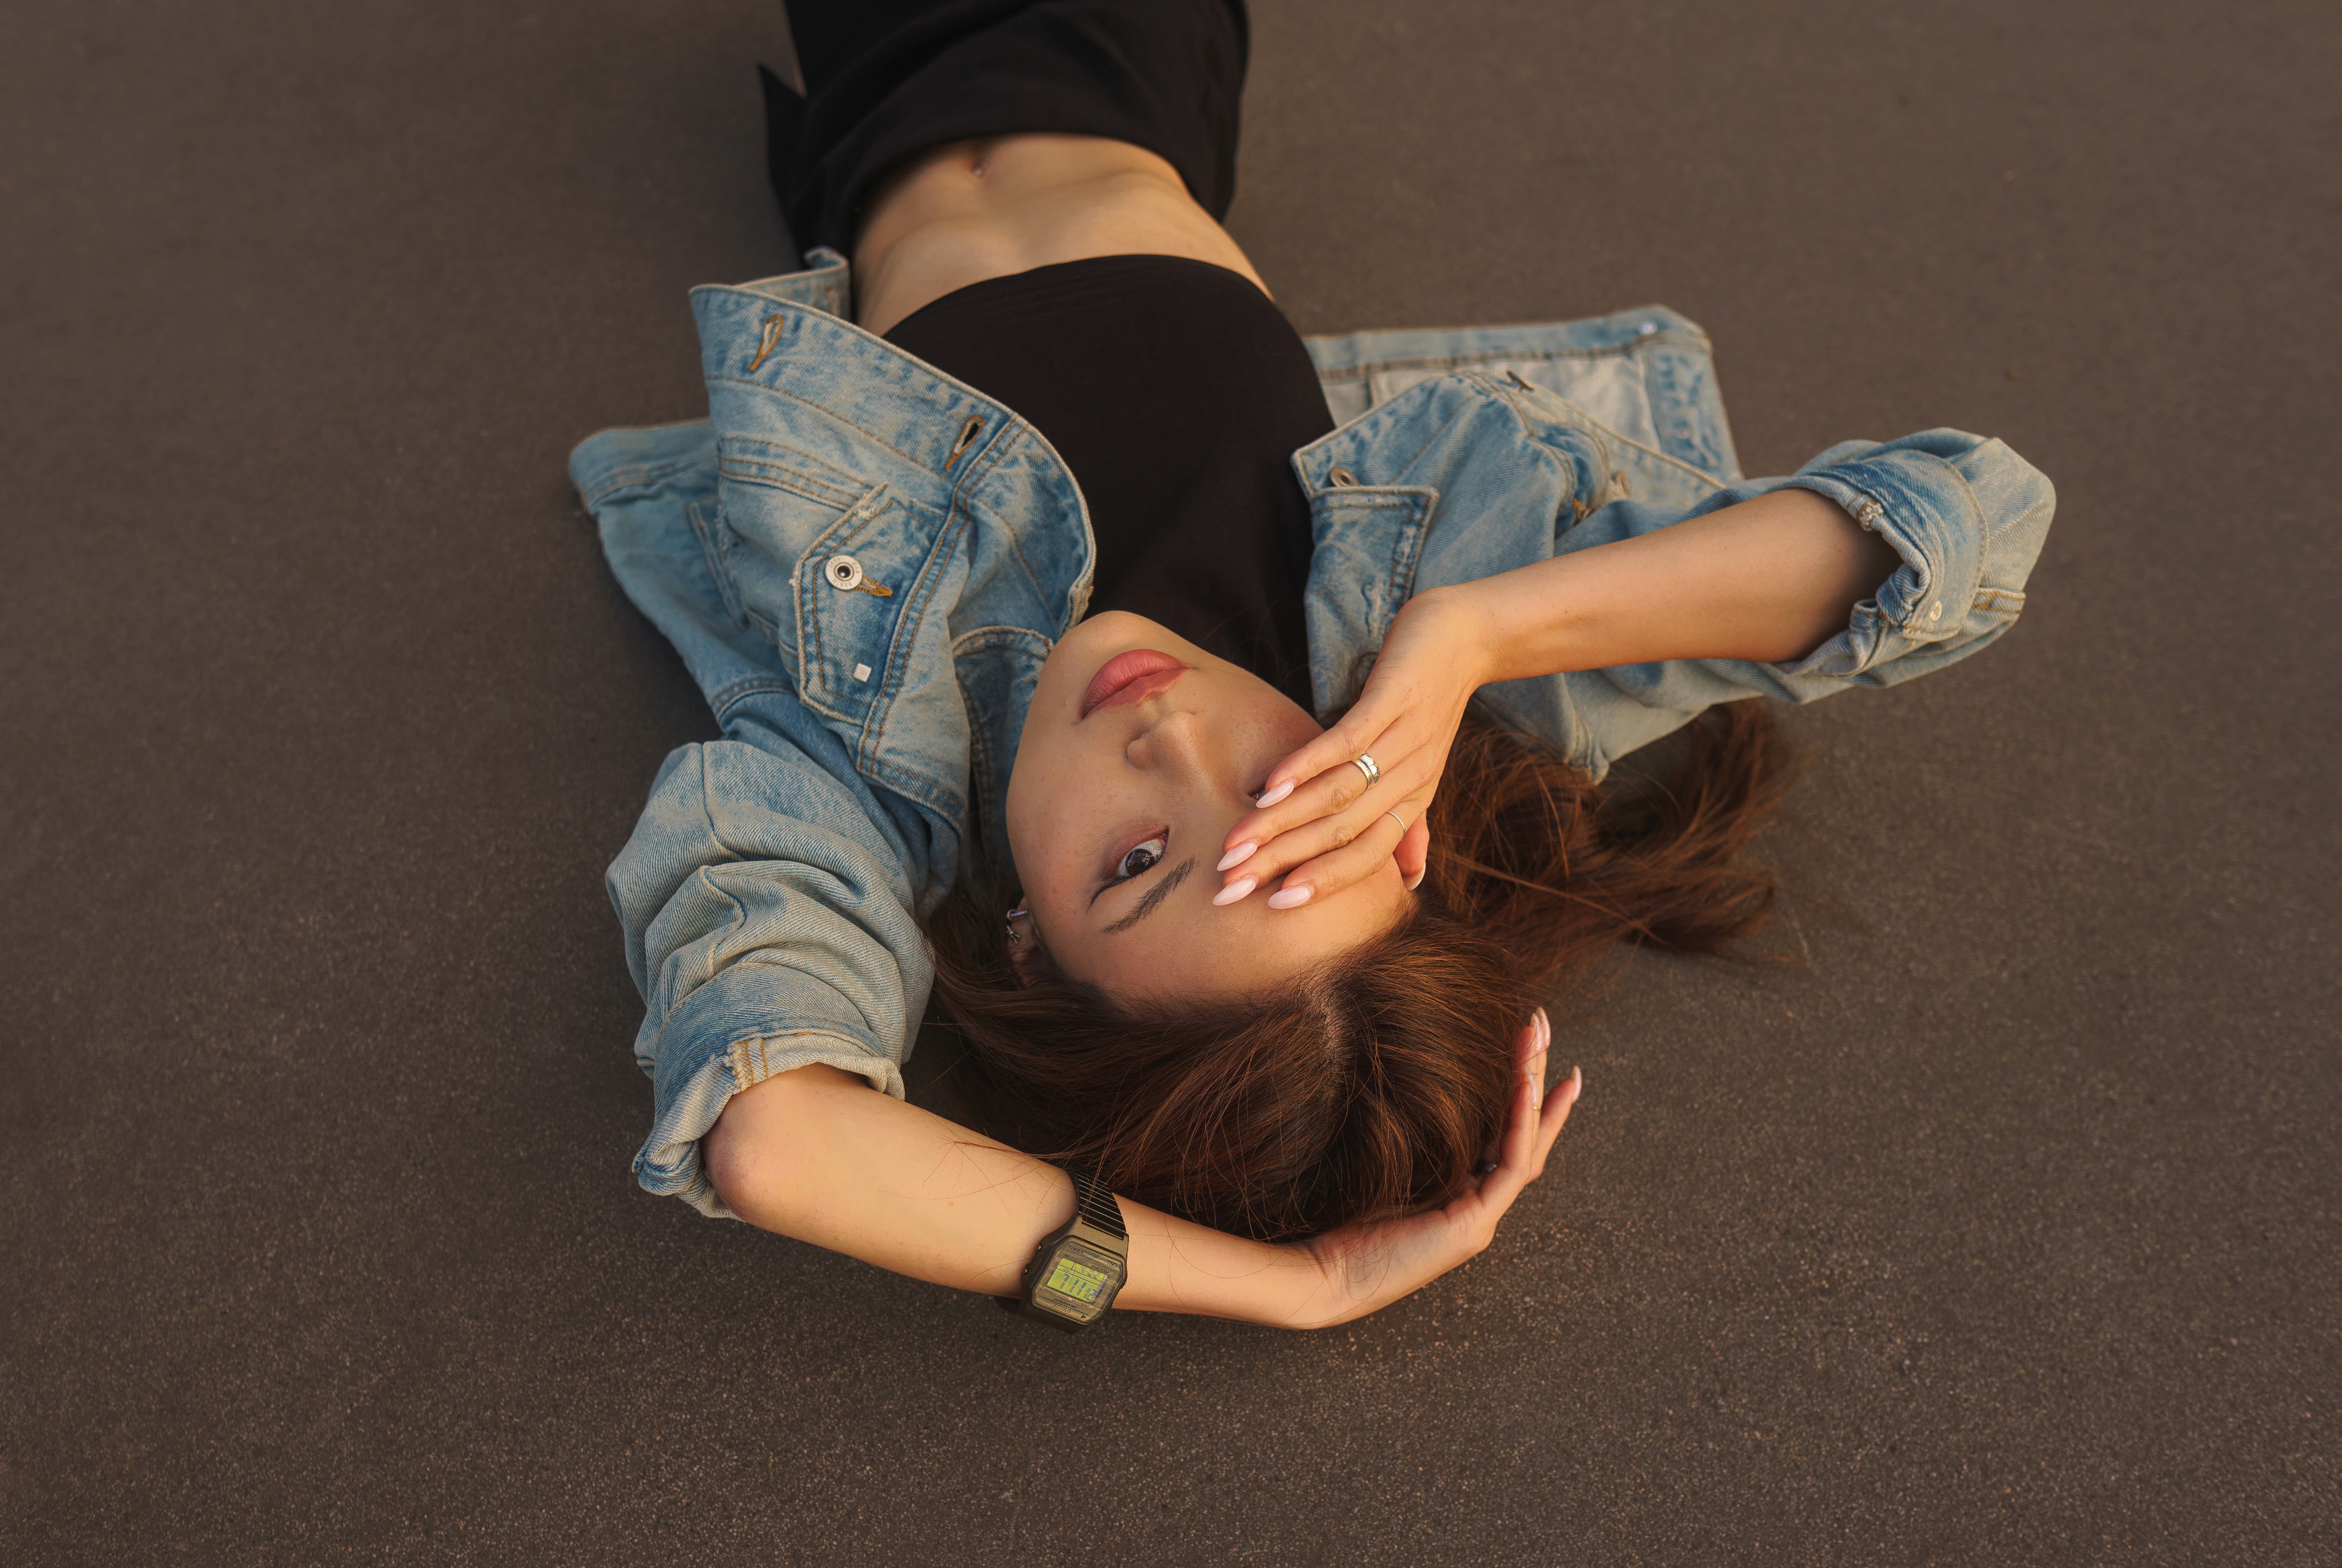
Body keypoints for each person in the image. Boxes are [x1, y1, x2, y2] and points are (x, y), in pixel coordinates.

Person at [568, 0, 2054, 1329]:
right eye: (1286, 794)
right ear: (1395, 823)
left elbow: (777, 1140)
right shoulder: (1421, 611)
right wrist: (1476, 633)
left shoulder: (870, 768)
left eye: (1139, 859)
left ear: (1030, 945)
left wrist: (1299, 1288)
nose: (1174, 745)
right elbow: (1966, 527)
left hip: (875, 81)